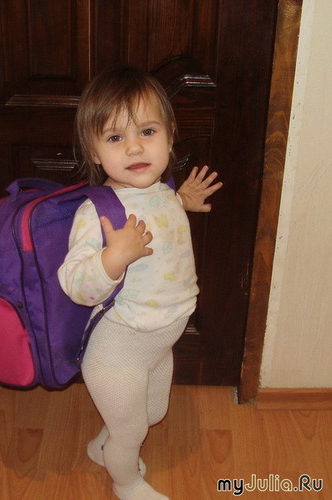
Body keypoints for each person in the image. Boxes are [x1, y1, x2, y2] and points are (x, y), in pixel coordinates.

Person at [58, 65, 222, 500]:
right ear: (94, 152)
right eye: (115, 137)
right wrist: (113, 258)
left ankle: (103, 446)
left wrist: (182, 201)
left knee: (152, 412)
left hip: (158, 342)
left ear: (170, 136)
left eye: (147, 131)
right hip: (118, 349)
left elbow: (157, 214)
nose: (134, 146)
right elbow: (75, 285)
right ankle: (126, 482)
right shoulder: (98, 213)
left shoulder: (163, 192)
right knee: (131, 431)